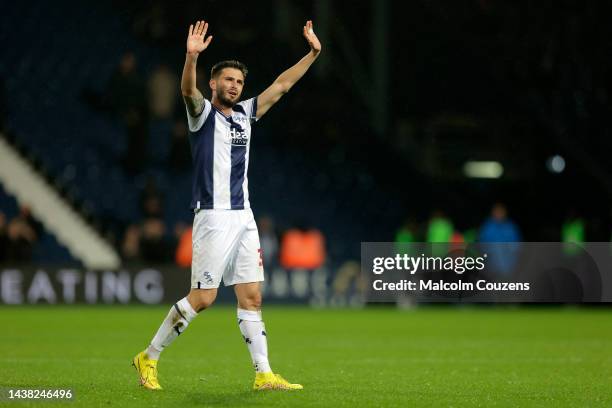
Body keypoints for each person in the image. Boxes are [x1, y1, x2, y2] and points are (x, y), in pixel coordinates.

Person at [132, 19, 321, 391]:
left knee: (251, 296)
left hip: (244, 217)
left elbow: (282, 85)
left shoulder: (247, 115)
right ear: (214, 83)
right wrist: (190, 57)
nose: (234, 86)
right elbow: (187, 89)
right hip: (213, 217)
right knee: (203, 298)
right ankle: (148, 356)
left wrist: (313, 53)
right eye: (228, 80)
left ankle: (264, 374)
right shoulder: (202, 115)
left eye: (239, 82)